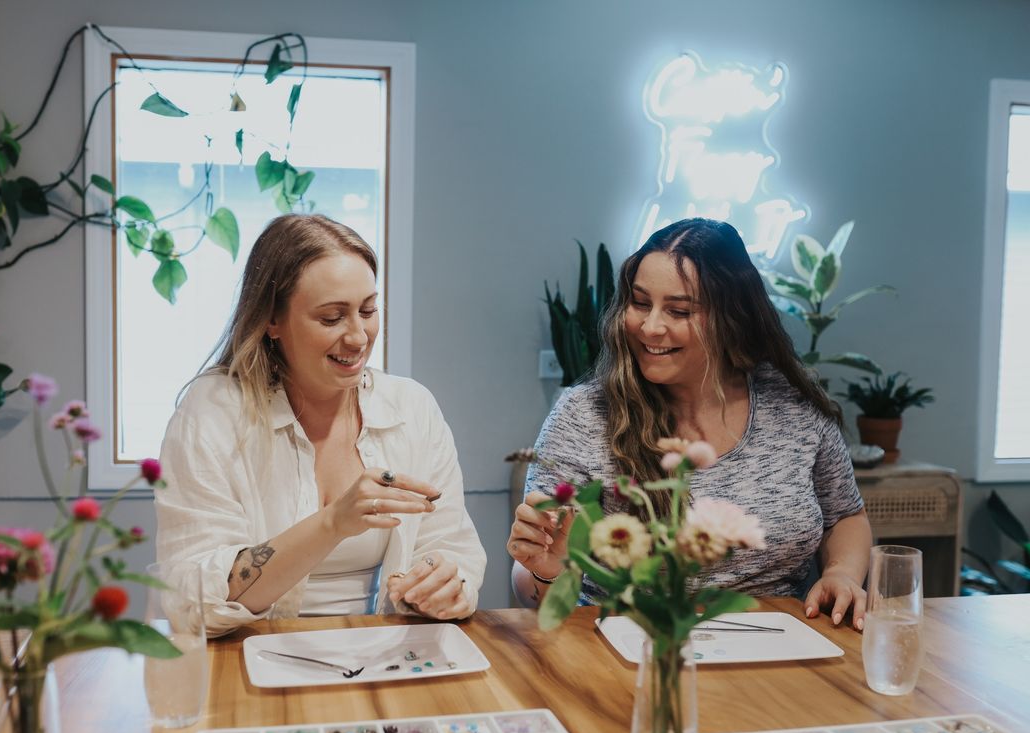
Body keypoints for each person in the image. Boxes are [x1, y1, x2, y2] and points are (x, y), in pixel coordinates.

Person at [507, 218, 871, 629]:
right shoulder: (583, 415)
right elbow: (530, 586)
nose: (650, 327)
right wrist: (544, 569)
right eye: (640, 303)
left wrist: (840, 572)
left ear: (733, 318)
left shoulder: (793, 404)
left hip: (776, 644)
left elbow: (845, 515)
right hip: (628, 650)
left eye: (678, 310)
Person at [156, 214, 486, 636]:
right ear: (271, 321)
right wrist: (331, 524)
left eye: (368, 310)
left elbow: (451, 545)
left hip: (387, 655)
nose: (358, 337)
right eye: (332, 318)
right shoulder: (213, 413)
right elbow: (192, 598)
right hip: (248, 659)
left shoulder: (413, 407)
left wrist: (442, 586)